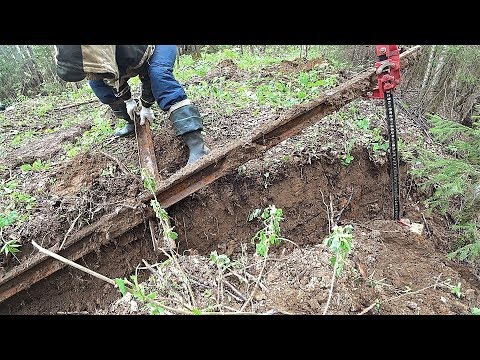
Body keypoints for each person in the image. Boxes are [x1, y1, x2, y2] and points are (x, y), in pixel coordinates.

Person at [54, 45, 210, 165]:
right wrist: (128, 101)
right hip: (123, 58)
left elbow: (147, 76)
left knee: (159, 76)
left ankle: (197, 145)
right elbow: (109, 77)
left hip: (155, 49)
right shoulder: (90, 55)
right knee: (97, 85)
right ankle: (132, 122)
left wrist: (146, 106)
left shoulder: (132, 50)